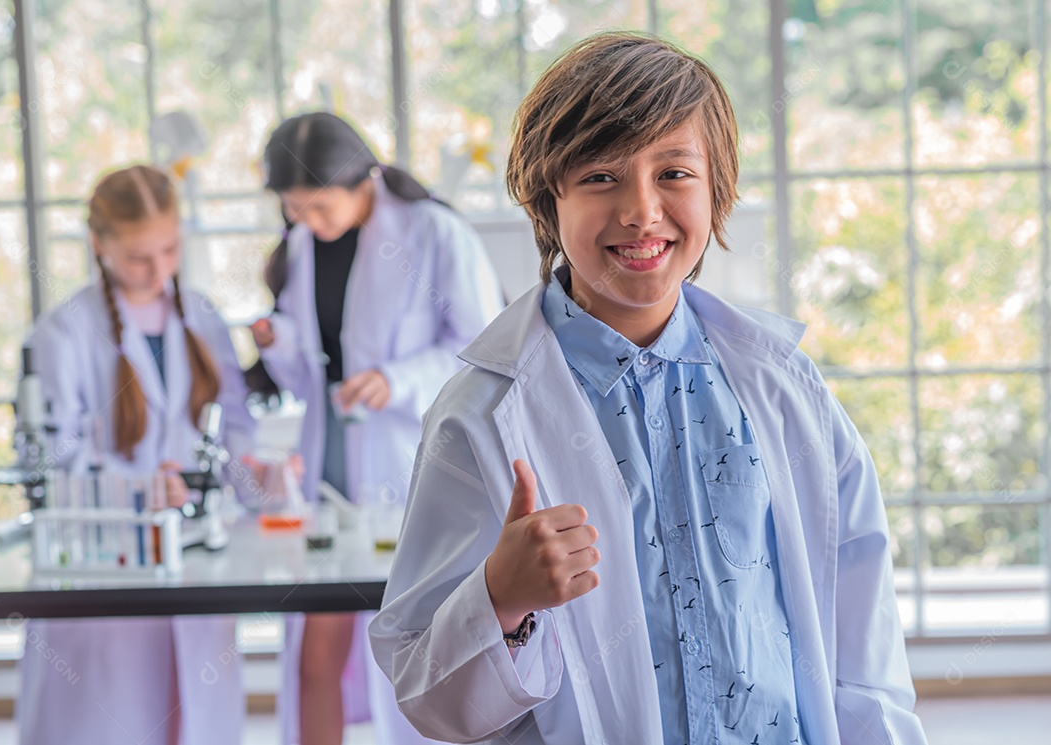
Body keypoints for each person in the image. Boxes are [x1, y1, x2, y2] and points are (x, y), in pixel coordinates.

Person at [369, 32, 929, 745]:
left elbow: (865, 654)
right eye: (601, 176)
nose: (641, 210)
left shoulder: (785, 387)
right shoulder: (480, 414)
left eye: (674, 173)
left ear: (716, 190)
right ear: (547, 198)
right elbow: (430, 699)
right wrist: (501, 600)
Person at [251, 112, 503, 745]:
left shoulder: (435, 233)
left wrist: (398, 380)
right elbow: (310, 372)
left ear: (361, 176)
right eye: (294, 209)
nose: (307, 221)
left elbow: (485, 353)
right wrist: (278, 342)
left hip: (411, 464)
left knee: (418, 659)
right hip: (333, 463)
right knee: (317, 655)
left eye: (318, 205)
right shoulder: (305, 245)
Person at [17, 164, 258, 745]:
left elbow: (234, 428)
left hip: (195, 561)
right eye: (138, 258)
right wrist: (139, 489)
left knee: (190, 719)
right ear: (98, 245)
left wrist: (258, 470)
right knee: (110, 721)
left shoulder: (201, 315)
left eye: (170, 251)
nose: (158, 271)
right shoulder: (61, 334)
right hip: (104, 568)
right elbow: (51, 463)